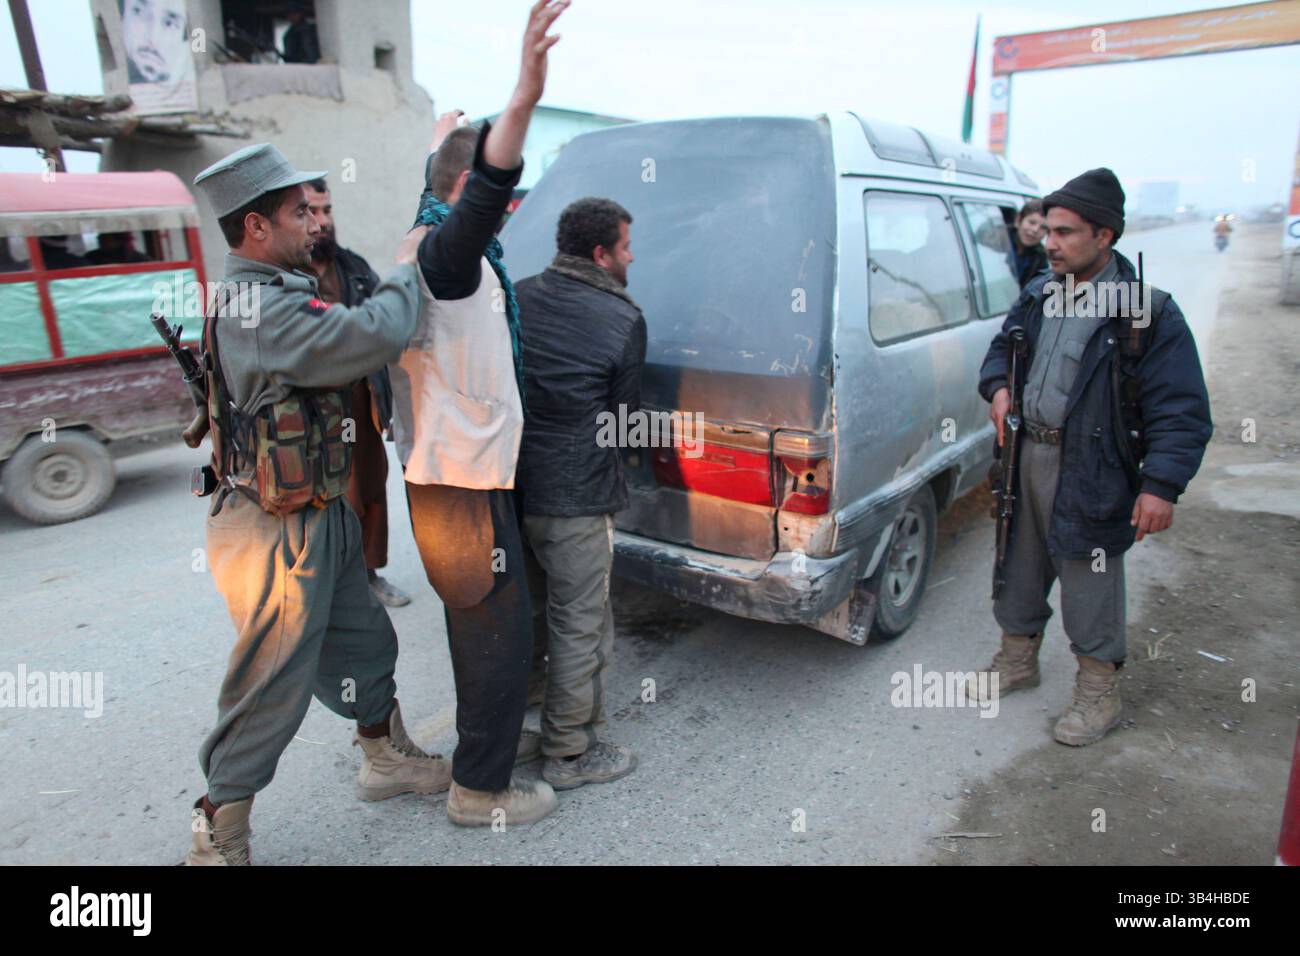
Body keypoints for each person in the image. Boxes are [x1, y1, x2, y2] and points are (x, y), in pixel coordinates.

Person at [185, 142, 445, 865]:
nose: (316, 225)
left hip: (316, 509)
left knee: (365, 643)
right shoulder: (263, 310)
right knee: (269, 684)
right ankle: (218, 830)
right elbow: (375, 334)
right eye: (300, 213)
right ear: (257, 230)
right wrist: (406, 263)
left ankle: (384, 756)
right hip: (273, 529)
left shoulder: (265, 294)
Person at [389, 0, 569, 827]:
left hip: (457, 476)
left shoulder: (425, 240)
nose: (511, 204)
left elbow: (452, 182)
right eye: (503, 194)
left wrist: (440, 132)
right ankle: (480, 792)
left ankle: (483, 762)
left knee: (490, 632)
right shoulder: (447, 258)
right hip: (459, 488)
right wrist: (524, 96)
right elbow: (481, 189)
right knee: (492, 645)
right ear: (466, 196)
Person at [970, 167, 1212, 746]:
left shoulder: (1146, 313)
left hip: (1094, 468)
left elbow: (1182, 411)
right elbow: (1002, 349)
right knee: (1018, 563)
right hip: (1027, 455)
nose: (1049, 242)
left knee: (1090, 578)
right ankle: (1017, 660)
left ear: (1105, 236)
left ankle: (1099, 691)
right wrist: (998, 388)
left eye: (1066, 232)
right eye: (1048, 230)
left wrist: (1161, 486)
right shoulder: (1039, 294)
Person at [514, 197, 645, 790]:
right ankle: (568, 753)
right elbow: (622, 423)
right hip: (577, 497)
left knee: (532, 610)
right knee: (583, 622)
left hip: (510, 489)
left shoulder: (517, 294)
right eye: (625, 246)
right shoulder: (623, 319)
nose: (631, 256)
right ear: (600, 254)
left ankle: (526, 724)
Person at [303, 178, 411, 608]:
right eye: (311, 211)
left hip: (360, 399)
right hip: (312, 406)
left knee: (368, 486)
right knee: (322, 497)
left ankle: (369, 573)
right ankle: (330, 584)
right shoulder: (284, 277)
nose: (322, 221)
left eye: (327, 210)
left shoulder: (354, 267)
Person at [1006, 199, 1048, 288]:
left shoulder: (1041, 257)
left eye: (1043, 227)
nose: (1035, 230)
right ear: (1018, 221)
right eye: (1032, 222)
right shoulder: (999, 241)